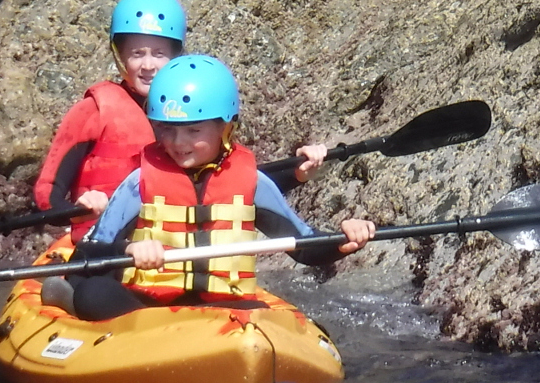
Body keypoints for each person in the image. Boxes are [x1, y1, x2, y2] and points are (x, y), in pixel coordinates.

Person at [47, 55, 374, 321]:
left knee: (277, 320)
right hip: (147, 308)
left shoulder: (252, 182)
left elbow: (304, 246)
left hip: (222, 309)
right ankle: (70, 302)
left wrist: (343, 241)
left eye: (194, 131)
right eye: (167, 129)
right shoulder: (138, 183)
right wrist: (128, 250)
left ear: (225, 128)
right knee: (93, 294)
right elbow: (87, 254)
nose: (178, 142)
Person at [34, 0, 331, 238]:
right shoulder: (94, 110)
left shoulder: (196, 110)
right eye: (137, 54)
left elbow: (233, 184)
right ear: (119, 55)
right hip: (102, 246)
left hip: (168, 248)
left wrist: (296, 172)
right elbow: (47, 194)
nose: (148, 66)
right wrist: (79, 209)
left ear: (176, 55)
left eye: (159, 54)